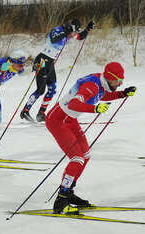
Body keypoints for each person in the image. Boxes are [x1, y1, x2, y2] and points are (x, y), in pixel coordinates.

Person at [47, 62, 136, 214]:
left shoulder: (100, 84)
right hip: (58, 120)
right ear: (109, 77)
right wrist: (94, 109)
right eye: (118, 80)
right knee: (77, 158)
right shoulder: (92, 85)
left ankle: (68, 192)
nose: (120, 83)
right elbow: (75, 103)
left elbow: (102, 95)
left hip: (69, 119)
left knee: (85, 155)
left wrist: (122, 94)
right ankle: (61, 201)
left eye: (122, 80)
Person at [20, 18, 94, 123]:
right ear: (70, 28)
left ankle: (41, 113)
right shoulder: (58, 30)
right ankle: (25, 111)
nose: (74, 35)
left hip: (50, 63)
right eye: (74, 31)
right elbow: (54, 39)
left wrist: (87, 29)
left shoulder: (68, 34)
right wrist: (68, 32)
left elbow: (80, 37)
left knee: (52, 89)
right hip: (42, 60)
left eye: (75, 32)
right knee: (40, 90)